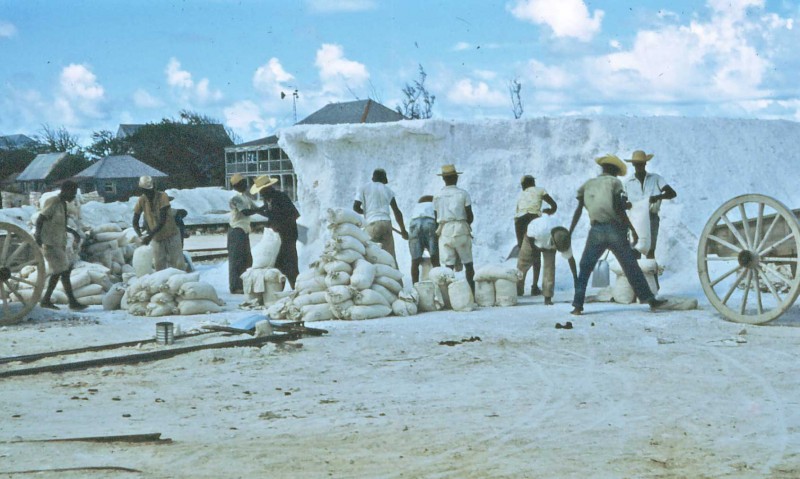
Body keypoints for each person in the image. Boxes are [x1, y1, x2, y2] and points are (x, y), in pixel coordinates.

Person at [569, 154, 667, 315]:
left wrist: (570, 231)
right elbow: (620, 209)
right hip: (615, 230)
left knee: (585, 267)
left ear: (602, 169)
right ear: (615, 171)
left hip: (596, 231)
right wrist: (634, 230)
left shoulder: (588, 185)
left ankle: (577, 306)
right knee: (630, 266)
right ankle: (650, 299)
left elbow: (579, 209)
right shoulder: (615, 183)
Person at [34, 180, 87, 311]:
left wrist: (73, 232)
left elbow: (61, 225)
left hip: (58, 242)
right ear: (65, 191)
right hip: (49, 243)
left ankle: (48, 300)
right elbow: (40, 219)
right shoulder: (53, 202)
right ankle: (71, 302)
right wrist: (37, 236)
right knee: (63, 271)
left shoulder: (63, 204)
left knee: (61, 271)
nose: (74, 196)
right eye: (72, 193)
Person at [245, 175, 300, 288]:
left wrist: (278, 224)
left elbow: (293, 215)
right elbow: (268, 212)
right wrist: (257, 211)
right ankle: (279, 290)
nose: (262, 193)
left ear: (269, 188)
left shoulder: (281, 197)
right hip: (277, 237)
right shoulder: (268, 199)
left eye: (263, 190)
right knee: (278, 264)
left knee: (290, 263)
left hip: (288, 235)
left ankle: (296, 287)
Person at [623, 150, 677, 259]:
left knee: (650, 251)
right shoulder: (628, 182)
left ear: (645, 164)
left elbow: (672, 193)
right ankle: (637, 276)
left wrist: (657, 197)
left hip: (651, 217)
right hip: (635, 220)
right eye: (637, 164)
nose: (639, 166)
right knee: (635, 251)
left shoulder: (656, 178)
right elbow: (622, 202)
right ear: (633, 165)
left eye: (641, 163)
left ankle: (651, 275)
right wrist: (626, 204)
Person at [433, 164, 476, 292]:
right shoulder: (463, 194)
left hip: (445, 230)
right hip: (461, 229)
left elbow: (436, 218)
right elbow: (470, 216)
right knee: (468, 264)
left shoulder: (437, 196)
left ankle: (448, 295)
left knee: (448, 266)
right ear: (456, 178)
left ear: (443, 179)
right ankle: (472, 293)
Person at [514, 175, 557, 296]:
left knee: (523, 257)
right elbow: (554, 205)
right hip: (533, 220)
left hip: (519, 223)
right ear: (533, 183)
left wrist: (519, 239)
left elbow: (517, 214)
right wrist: (548, 212)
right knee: (536, 254)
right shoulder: (540, 190)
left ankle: (519, 287)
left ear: (523, 185)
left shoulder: (520, 195)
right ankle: (534, 286)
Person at [353, 168, 408, 262]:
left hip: (372, 224)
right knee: (390, 257)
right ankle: (395, 276)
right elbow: (397, 212)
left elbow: (356, 207)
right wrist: (403, 230)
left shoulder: (363, 188)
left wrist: (366, 212)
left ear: (373, 178)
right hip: (386, 224)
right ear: (384, 179)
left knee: (370, 255)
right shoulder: (388, 190)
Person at [132, 175, 185, 272]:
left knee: (177, 264)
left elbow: (162, 221)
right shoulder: (142, 200)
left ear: (154, 188)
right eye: (146, 191)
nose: (149, 193)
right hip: (156, 238)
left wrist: (149, 236)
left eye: (150, 190)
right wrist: (140, 236)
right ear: (142, 190)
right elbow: (135, 221)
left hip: (171, 234)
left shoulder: (162, 196)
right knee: (159, 266)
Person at [525, 214, 578, 305]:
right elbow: (530, 235)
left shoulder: (563, 238)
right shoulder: (540, 231)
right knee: (523, 262)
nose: (554, 249)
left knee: (549, 268)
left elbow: (570, 259)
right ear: (552, 240)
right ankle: (518, 288)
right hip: (531, 237)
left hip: (547, 240)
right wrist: (534, 248)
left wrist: (576, 279)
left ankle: (547, 296)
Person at [227, 173, 257, 293]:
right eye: (244, 183)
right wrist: (262, 210)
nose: (246, 185)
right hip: (236, 230)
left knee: (246, 259)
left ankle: (243, 285)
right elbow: (246, 212)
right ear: (237, 185)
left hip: (243, 231)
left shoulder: (245, 197)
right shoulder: (235, 198)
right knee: (236, 260)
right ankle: (235, 286)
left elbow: (255, 208)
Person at [408, 195, 439, 284]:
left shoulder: (417, 207)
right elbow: (438, 220)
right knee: (435, 259)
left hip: (414, 223)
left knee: (415, 261)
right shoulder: (434, 204)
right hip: (429, 222)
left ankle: (415, 287)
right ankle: (438, 287)